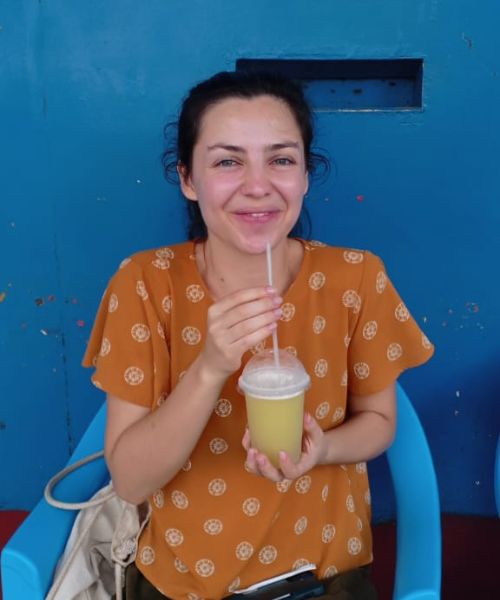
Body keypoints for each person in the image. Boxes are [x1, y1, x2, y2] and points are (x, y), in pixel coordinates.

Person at [83, 70, 434, 599]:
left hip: (325, 578)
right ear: (187, 178)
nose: (258, 185)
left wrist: (325, 449)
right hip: (183, 585)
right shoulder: (145, 284)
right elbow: (131, 481)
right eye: (227, 161)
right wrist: (209, 368)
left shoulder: (356, 278)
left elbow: (381, 421)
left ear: (306, 175)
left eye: (281, 159)